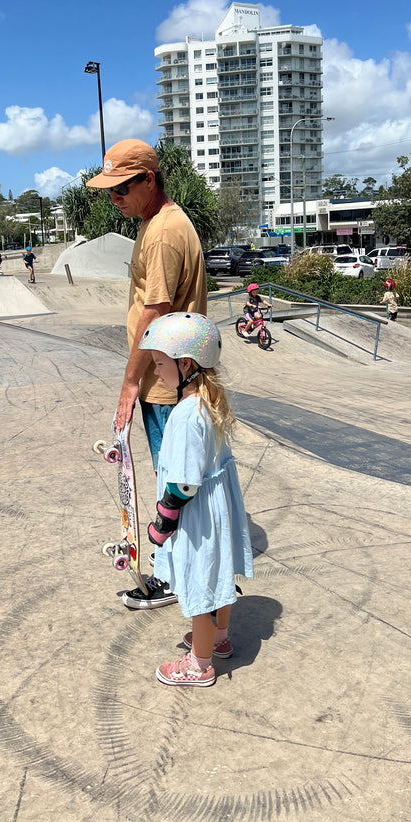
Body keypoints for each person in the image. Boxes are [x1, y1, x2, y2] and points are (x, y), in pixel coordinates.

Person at [86, 139, 207, 611]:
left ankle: (176, 576)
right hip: (171, 374)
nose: (113, 198)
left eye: (121, 188)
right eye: (108, 190)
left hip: (163, 381)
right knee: (173, 477)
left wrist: (130, 383)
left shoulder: (160, 233)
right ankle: (179, 569)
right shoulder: (159, 223)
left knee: (173, 480)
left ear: (149, 180)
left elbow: (154, 314)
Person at [138, 311, 253, 687]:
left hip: (196, 515)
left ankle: (199, 664)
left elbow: (184, 485)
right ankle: (218, 639)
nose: (155, 372)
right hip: (214, 510)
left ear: (184, 362)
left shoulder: (187, 416)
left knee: (198, 585)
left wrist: (162, 524)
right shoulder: (207, 403)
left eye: (158, 363)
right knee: (216, 576)